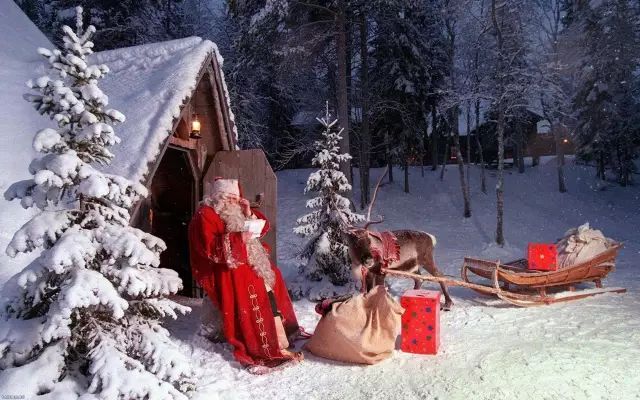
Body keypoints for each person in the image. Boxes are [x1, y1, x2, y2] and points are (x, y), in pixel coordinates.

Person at [188, 178, 303, 371]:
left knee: (274, 274)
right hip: (223, 267)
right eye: (227, 198)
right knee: (253, 286)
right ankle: (263, 344)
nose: (231, 202)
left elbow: (262, 228)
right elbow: (209, 248)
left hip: (247, 261)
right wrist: (238, 239)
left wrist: (249, 213)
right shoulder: (205, 214)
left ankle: (282, 332)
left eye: (234, 198)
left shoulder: (238, 212)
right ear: (216, 197)